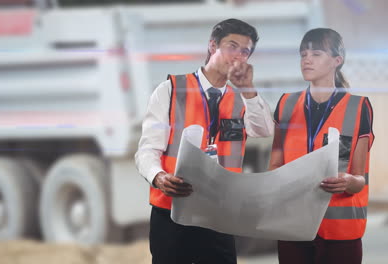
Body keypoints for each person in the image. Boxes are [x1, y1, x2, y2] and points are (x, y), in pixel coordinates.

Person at [135, 18, 274, 264]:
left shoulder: (244, 98)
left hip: (219, 215)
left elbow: (264, 129)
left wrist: (248, 89)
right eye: (232, 46)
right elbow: (147, 150)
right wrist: (159, 177)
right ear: (212, 46)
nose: (238, 56)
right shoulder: (170, 90)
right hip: (172, 213)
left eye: (245, 51)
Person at [269, 28, 374, 264]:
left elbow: (360, 178)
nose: (306, 59)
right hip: (292, 225)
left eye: (315, 53)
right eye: (303, 54)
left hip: (340, 231)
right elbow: (274, 165)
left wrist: (349, 182)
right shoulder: (286, 104)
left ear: (337, 60)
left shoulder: (358, 108)